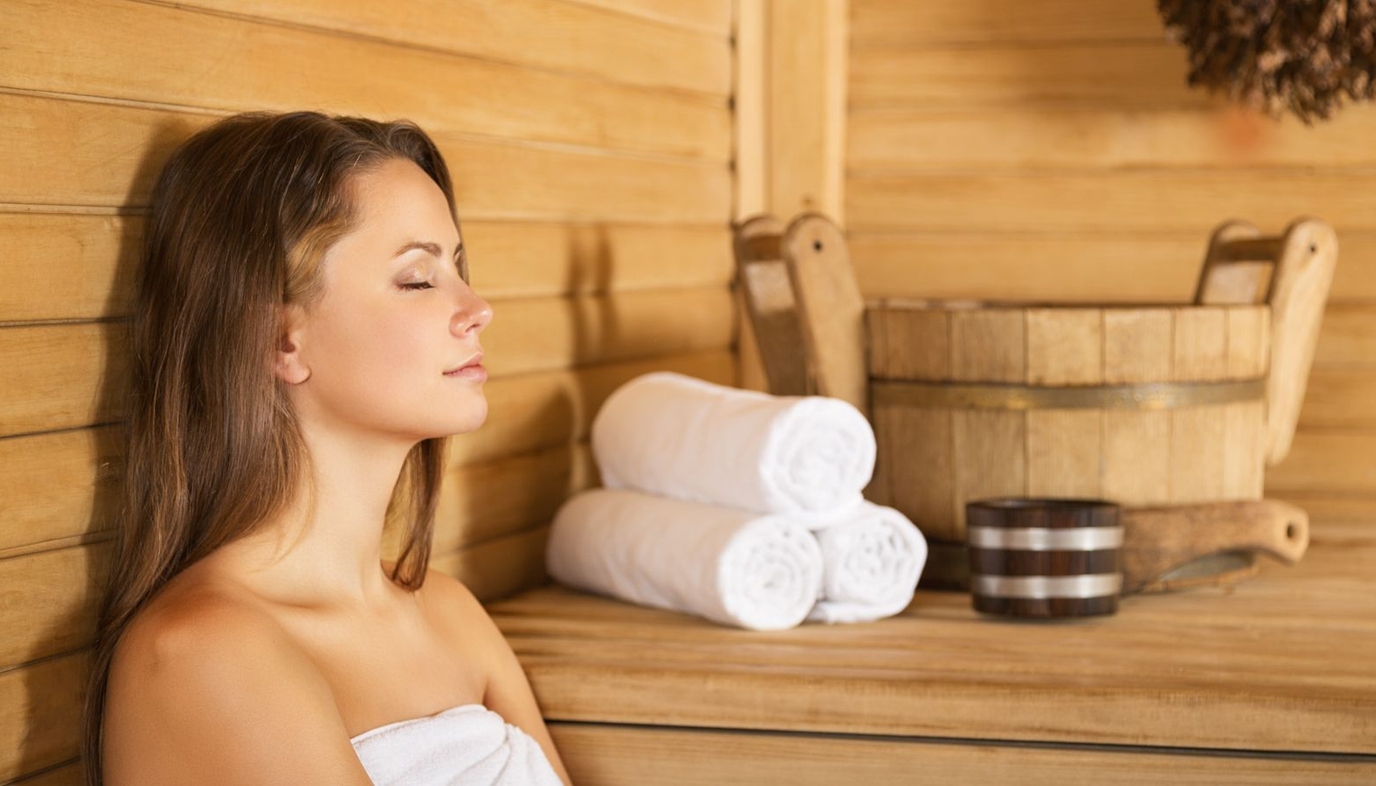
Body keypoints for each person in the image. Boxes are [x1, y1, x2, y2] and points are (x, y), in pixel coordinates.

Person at [82, 111, 572, 785]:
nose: (477, 306)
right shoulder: (204, 651)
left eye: (457, 267)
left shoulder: (450, 613)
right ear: (283, 340)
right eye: (418, 278)